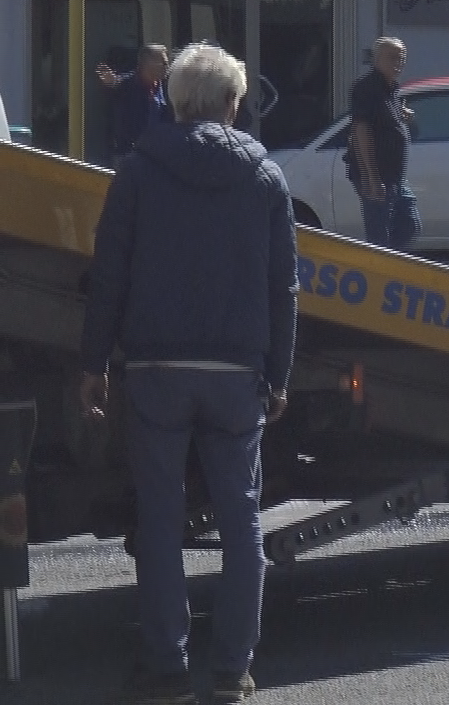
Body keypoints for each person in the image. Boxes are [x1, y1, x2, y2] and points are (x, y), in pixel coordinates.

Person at [79, 42, 295, 703]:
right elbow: (283, 286)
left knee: (162, 520)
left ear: (172, 101)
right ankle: (232, 669)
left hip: (157, 368)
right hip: (235, 373)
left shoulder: (139, 172)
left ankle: (165, 665)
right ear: (233, 104)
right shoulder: (265, 177)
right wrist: (278, 375)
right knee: (241, 520)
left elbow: (109, 274)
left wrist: (94, 363)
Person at [348, 37, 417, 252]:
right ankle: (378, 276)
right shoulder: (366, 88)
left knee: (409, 224)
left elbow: (386, 122)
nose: (398, 62)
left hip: (394, 176)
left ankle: (391, 265)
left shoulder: (393, 89)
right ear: (377, 59)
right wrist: (370, 176)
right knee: (378, 236)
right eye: (392, 57)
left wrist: (402, 116)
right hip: (376, 175)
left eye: (402, 57)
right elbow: (360, 130)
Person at [96, 44, 173, 163]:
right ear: (148, 64)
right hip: (129, 155)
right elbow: (114, 93)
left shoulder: (165, 88)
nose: (166, 67)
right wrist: (112, 84)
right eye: (163, 63)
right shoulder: (127, 85)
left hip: (156, 154)